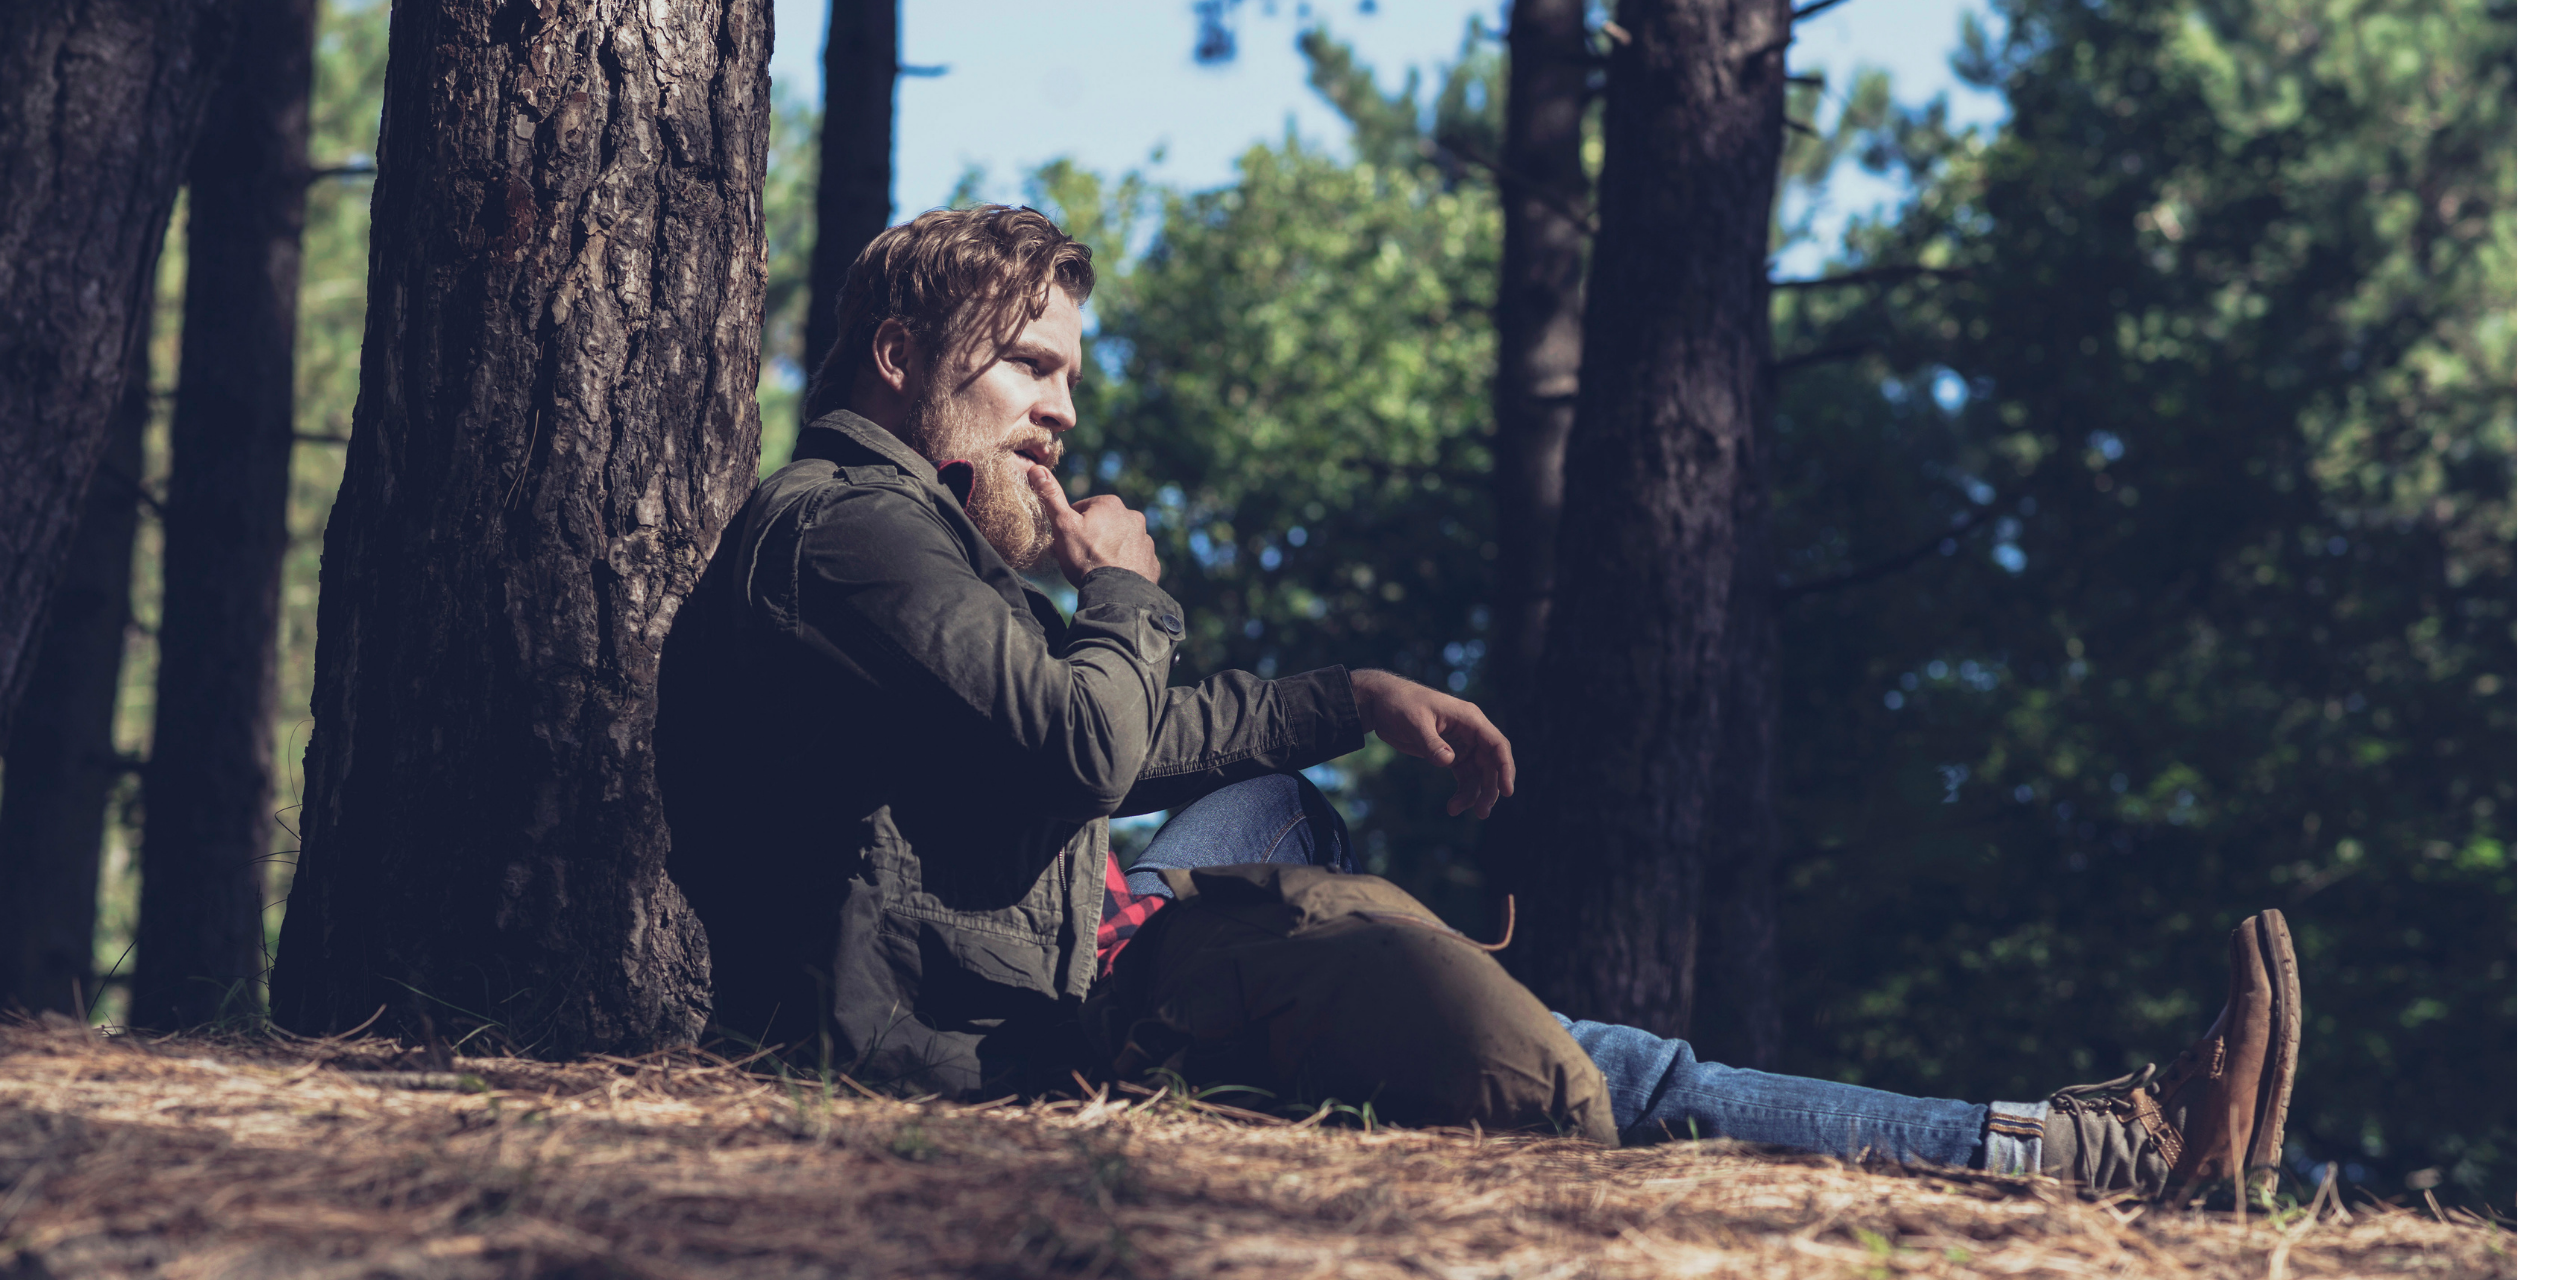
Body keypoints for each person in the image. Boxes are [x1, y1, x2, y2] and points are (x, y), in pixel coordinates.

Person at [655, 205, 2301, 1204]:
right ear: (894, 357)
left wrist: (1352, 694)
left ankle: (1372, 986)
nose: (1064, 415)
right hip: (992, 1038)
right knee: (1619, 1075)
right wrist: (1128, 591)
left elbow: (1118, 747)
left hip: (1053, 935)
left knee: (1286, 808)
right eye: (1033, 369)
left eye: (1069, 377)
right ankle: (2071, 1153)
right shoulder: (852, 531)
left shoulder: (888, 539)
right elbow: (1094, 736)